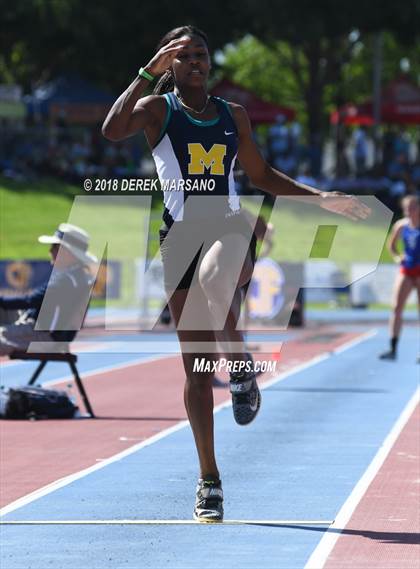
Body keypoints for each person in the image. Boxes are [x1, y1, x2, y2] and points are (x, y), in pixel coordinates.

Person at [102, 25, 370, 522]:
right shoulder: (157, 111)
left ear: (211, 63)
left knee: (215, 278)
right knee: (197, 372)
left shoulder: (233, 116)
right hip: (178, 238)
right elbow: (111, 129)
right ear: (170, 64)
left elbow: (262, 176)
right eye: (185, 56)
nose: (197, 62)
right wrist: (147, 72)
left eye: (202, 54)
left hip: (227, 227)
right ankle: (209, 480)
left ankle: (241, 362)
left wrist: (322, 199)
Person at [0, 224, 96, 355]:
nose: (50, 251)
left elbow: (31, 300)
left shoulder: (67, 280)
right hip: (47, 333)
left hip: (42, 337)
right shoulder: (78, 276)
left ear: (67, 252)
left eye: (55, 247)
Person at [379, 195, 420, 361]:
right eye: (406, 208)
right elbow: (391, 245)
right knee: (396, 307)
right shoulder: (401, 226)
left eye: (412, 207)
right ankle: (393, 348)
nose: (409, 211)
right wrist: (397, 257)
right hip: (407, 268)